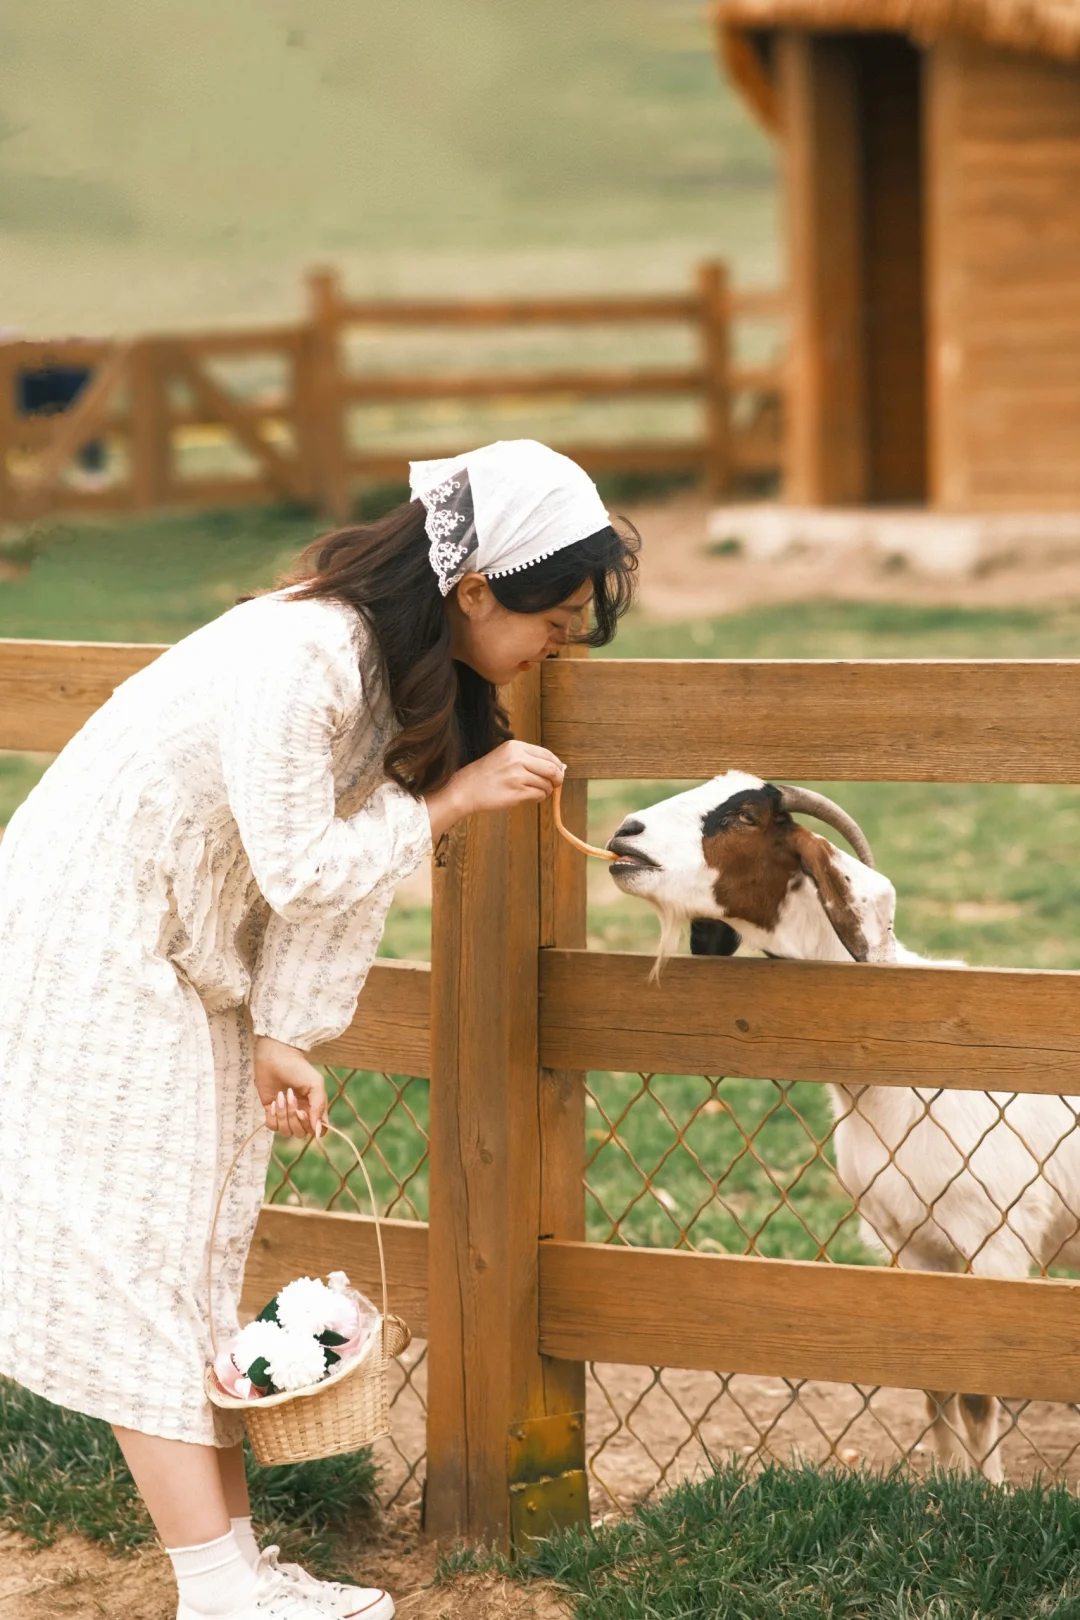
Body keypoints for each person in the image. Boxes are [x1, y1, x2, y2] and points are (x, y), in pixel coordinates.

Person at [0, 440, 638, 1620]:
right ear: (476, 587)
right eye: (550, 617)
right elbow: (305, 867)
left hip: (177, 942)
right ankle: (216, 1587)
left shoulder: (383, 663)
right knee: (145, 1255)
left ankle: (234, 1576)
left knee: (197, 1248)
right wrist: (451, 803)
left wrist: (285, 1032)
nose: (556, 643)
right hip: (91, 936)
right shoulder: (310, 657)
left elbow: (330, 842)